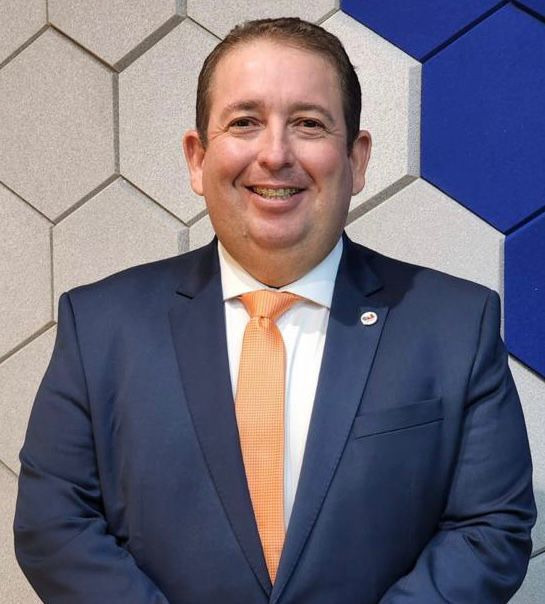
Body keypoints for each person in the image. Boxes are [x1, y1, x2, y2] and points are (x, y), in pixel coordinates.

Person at [14, 17, 535, 604]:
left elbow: (490, 528)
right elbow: (54, 525)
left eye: (308, 123)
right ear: (197, 158)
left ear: (357, 158)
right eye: (245, 122)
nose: (275, 154)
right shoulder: (99, 326)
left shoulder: (457, 326)